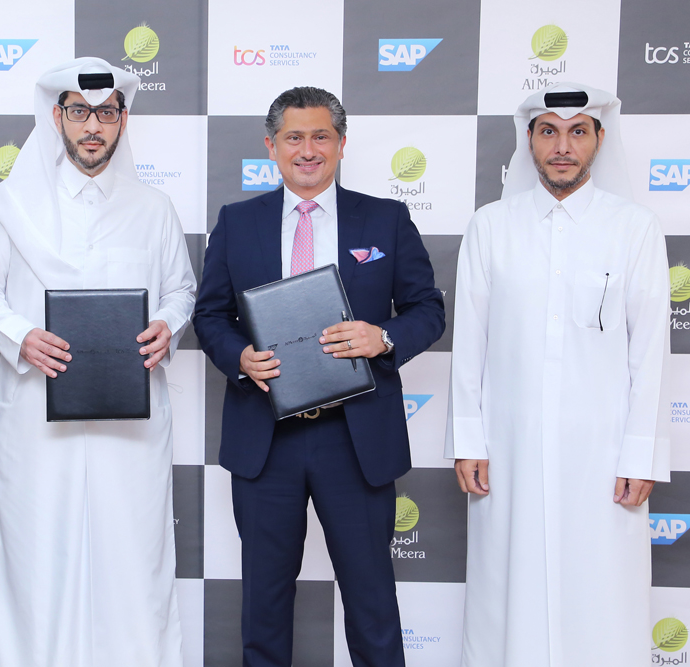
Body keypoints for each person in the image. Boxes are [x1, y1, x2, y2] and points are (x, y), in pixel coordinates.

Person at [194, 86, 445, 667]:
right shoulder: (237, 223)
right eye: (294, 137)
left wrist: (382, 337)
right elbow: (210, 316)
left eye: (320, 136)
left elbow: (427, 309)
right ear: (271, 146)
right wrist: (239, 358)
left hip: (356, 439)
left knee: (373, 604)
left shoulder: (385, 218)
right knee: (263, 607)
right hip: (266, 440)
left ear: (341, 143)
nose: (308, 150)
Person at [0, 57, 196, 666]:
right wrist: (20, 336)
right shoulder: (12, 205)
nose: (93, 126)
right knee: (33, 556)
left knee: (133, 557)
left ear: (123, 120)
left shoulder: (155, 207)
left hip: (132, 420)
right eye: (79, 112)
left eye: (106, 112)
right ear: (57, 117)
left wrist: (167, 326)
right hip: (36, 415)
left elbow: (181, 289)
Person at [445, 82, 670, 667]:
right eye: (549, 131)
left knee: (602, 597)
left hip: (602, 455)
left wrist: (640, 455)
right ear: (531, 140)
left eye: (577, 131)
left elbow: (649, 353)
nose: (562, 146)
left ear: (598, 138)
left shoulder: (635, 228)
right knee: (505, 597)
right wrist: (468, 440)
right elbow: (471, 342)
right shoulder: (491, 226)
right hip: (508, 449)